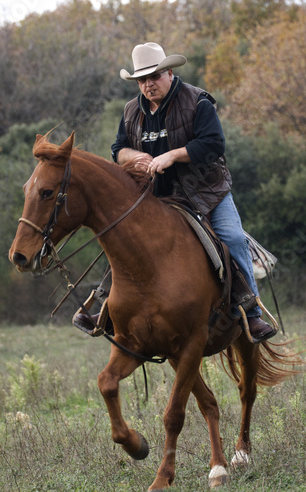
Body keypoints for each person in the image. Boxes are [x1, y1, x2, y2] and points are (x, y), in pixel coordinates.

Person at [74, 42, 276, 343]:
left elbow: (213, 144)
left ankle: (251, 313)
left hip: (206, 193)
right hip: (156, 197)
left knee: (232, 237)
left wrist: (173, 155)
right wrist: (133, 157)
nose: (148, 84)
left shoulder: (197, 102)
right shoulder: (131, 111)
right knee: (123, 240)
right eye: (142, 80)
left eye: (154, 77)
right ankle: (104, 307)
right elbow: (118, 149)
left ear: (169, 72)